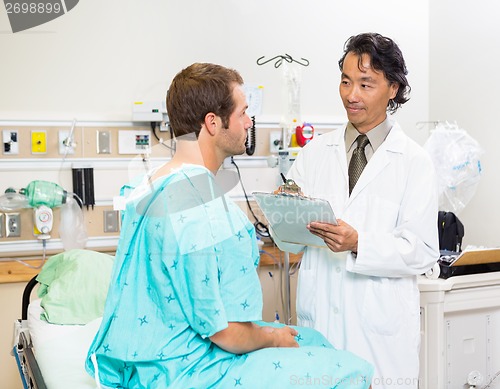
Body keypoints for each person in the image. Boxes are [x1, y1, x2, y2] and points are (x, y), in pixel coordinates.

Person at [85, 62, 373, 388]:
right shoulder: (203, 208)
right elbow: (225, 332)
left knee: (311, 338)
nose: (249, 122)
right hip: (193, 371)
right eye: (243, 113)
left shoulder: (145, 188)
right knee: (355, 372)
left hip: (147, 364)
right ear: (213, 122)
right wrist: (274, 338)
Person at [274, 33, 440, 388]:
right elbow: (290, 245)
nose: (352, 95)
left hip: (379, 337)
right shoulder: (316, 153)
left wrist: (358, 242)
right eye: (346, 82)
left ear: (393, 88)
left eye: (366, 84)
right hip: (321, 330)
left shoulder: (414, 162)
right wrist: (284, 213)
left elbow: (423, 251)